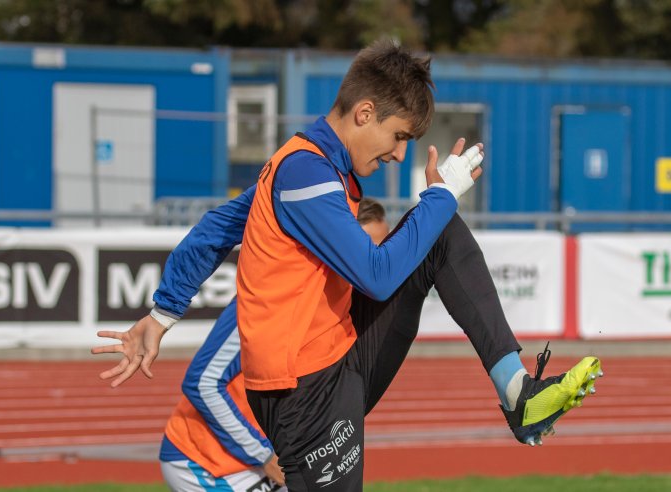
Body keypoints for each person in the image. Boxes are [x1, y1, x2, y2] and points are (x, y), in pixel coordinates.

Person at [94, 40, 601, 491]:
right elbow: (376, 276)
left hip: (339, 360)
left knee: (440, 233)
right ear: (364, 113)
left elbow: (213, 229)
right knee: (437, 217)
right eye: (398, 136)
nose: (400, 155)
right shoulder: (303, 171)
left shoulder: (314, 170)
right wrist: (439, 196)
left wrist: (162, 315)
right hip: (302, 393)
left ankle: (518, 392)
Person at [161, 198, 389, 492]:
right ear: (339, 245)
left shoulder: (342, 302)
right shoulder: (269, 301)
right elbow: (202, 383)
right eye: (367, 247)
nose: (376, 258)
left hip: (266, 458)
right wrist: (262, 454)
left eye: (382, 247)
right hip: (204, 462)